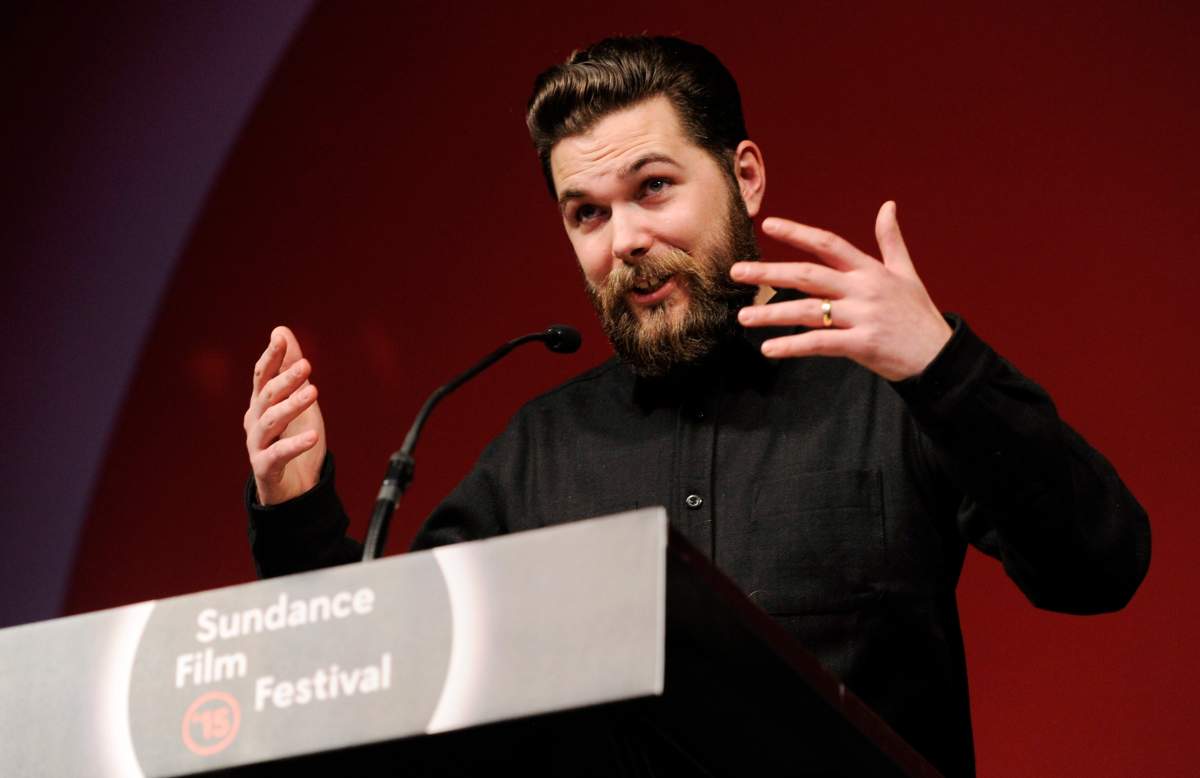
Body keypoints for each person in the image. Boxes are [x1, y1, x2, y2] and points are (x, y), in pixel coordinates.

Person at [243, 36, 1150, 777]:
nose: (626, 240)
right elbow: (384, 686)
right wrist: (295, 509)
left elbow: (1099, 565)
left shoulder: (881, 385)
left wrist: (941, 367)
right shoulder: (540, 450)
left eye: (653, 188)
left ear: (744, 176)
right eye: (587, 214)